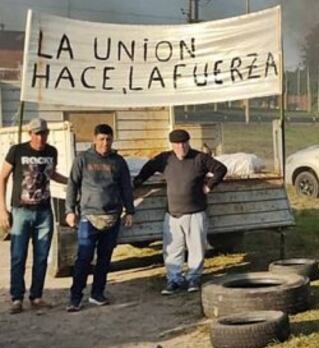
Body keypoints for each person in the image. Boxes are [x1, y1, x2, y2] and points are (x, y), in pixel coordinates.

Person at [133, 129, 227, 294]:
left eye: (184, 143)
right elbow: (149, 167)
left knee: (196, 248)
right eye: (177, 144)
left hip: (195, 213)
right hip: (173, 214)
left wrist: (209, 186)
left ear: (188, 143)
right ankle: (174, 279)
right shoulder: (165, 159)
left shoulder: (199, 158)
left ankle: (193, 278)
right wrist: (138, 181)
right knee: (172, 250)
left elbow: (220, 169)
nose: (181, 147)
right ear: (172, 145)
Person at [65, 124, 136, 312]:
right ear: (94, 139)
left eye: (108, 139)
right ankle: (75, 298)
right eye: (102, 139)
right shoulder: (83, 159)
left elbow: (126, 188)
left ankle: (97, 294)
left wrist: (130, 211)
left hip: (112, 217)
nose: (105, 143)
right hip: (89, 217)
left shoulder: (118, 162)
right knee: (84, 257)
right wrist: (69, 210)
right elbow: (72, 185)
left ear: (112, 140)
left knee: (105, 259)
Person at [0, 118, 68, 314]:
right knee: (18, 256)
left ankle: (36, 296)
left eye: (44, 133)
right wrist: (2, 209)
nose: (41, 137)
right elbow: (2, 177)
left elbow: (51, 174)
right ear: (30, 134)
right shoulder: (17, 151)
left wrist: (71, 181)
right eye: (37, 133)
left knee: (42, 257)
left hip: (43, 211)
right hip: (21, 211)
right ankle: (16, 298)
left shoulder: (51, 152)